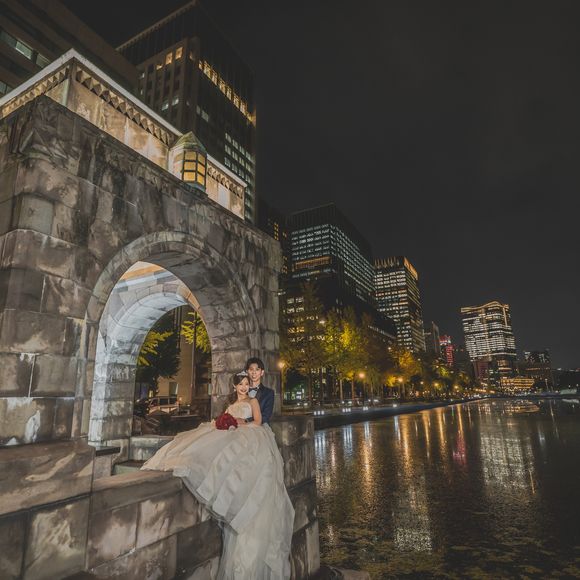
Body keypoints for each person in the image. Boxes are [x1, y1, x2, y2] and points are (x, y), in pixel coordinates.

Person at [141, 372, 294, 580]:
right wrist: (225, 422)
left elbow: (258, 421)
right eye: (240, 384)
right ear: (234, 387)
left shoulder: (253, 401)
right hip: (233, 430)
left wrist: (239, 422)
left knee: (236, 458)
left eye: (246, 384)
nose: (244, 387)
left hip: (250, 433)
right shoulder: (231, 404)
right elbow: (225, 420)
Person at [244, 357, 275, 425]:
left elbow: (265, 416)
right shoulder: (241, 391)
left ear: (262, 372)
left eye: (257, 369)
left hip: (260, 427)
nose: (254, 372)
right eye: (251, 369)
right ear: (247, 372)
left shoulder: (269, 393)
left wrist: (245, 421)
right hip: (240, 428)